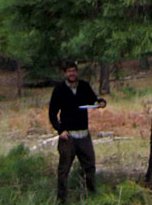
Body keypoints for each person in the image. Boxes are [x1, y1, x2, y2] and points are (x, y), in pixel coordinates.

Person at [49, 60, 107, 203]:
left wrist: (100, 103)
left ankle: (92, 197)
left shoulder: (84, 86)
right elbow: (52, 113)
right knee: (63, 170)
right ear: (65, 73)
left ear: (77, 72)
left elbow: (93, 101)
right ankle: (62, 200)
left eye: (74, 71)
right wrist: (60, 130)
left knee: (90, 167)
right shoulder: (59, 89)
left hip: (84, 135)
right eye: (69, 71)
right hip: (68, 137)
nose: (72, 74)